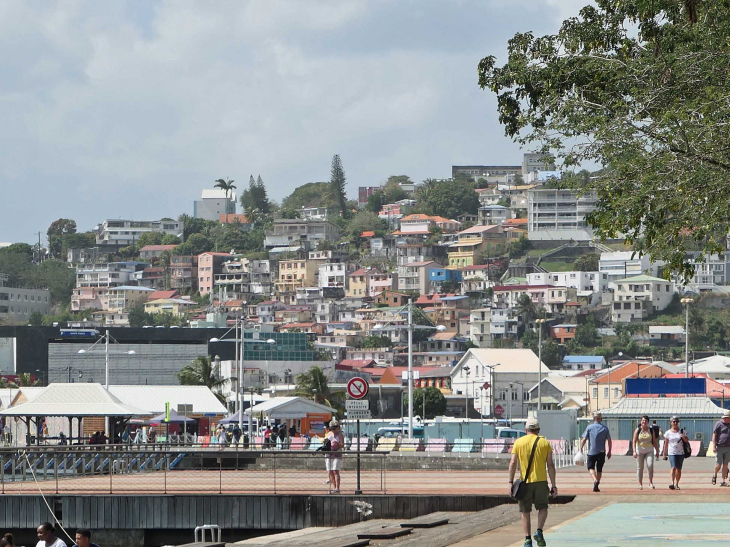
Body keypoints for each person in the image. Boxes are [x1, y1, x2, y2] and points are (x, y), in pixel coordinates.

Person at [508, 418, 557, 547]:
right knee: (543, 507)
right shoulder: (544, 443)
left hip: (525, 483)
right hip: (541, 482)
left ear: (526, 430)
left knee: (525, 511)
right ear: (538, 430)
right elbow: (550, 465)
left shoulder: (518, 443)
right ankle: (539, 531)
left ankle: (527, 540)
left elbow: (513, 463)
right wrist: (554, 485)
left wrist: (510, 482)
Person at [632, 415, 659, 490]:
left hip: (649, 450)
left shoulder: (651, 430)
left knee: (650, 465)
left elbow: (654, 441)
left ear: (648, 422)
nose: (644, 422)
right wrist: (634, 451)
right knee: (640, 467)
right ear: (641, 421)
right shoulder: (637, 430)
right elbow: (634, 441)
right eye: (643, 420)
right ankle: (640, 484)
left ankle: (650, 483)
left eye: (646, 420)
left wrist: (657, 451)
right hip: (639, 451)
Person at [663, 416, 689, 490]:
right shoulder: (668, 432)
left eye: (676, 422)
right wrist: (664, 454)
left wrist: (683, 436)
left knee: (679, 469)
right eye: (674, 421)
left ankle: (677, 483)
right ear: (671, 423)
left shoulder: (682, 431)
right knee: (673, 467)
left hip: (681, 452)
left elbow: (687, 440)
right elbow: (666, 444)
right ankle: (672, 483)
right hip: (672, 452)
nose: (675, 423)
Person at [711, 409, 730, 486]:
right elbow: (714, 434)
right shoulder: (719, 424)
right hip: (719, 446)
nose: (725, 419)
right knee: (718, 464)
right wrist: (714, 446)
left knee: (726, 464)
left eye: (727, 417)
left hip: (728, 447)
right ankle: (715, 474)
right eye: (724, 417)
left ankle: (723, 480)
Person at [326, 420, 344, 494]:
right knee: (330, 471)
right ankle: (334, 487)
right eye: (332, 428)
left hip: (337, 454)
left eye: (334, 428)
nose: (333, 430)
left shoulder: (340, 435)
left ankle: (337, 488)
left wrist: (338, 444)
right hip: (329, 454)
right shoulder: (329, 434)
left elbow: (342, 445)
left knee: (335, 470)